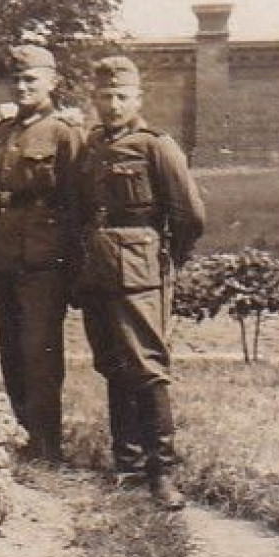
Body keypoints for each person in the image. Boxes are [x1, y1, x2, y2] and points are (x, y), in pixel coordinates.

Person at [74, 55, 206, 509]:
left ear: (137, 98)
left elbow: (189, 214)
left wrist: (168, 259)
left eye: (121, 96)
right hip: (97, 269)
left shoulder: (157, 146)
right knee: (113, 363)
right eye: (104, 96)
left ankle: (162, 472)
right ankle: (126, 464)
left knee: (148, 367)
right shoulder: (91, 145)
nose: (112, 105)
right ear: (94, 98)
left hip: (140, 270)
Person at [0, 45, 84, 461]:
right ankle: (20, 434)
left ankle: (47, 443)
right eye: (17, 80)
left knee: (40, 350)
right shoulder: (1, 133)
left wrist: (74, 268)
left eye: (31, 80)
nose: (22, 87)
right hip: (4, 253)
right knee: (11, 348)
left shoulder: (63, 133)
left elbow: (76, 204)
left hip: (44, 257)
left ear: (52, 83)